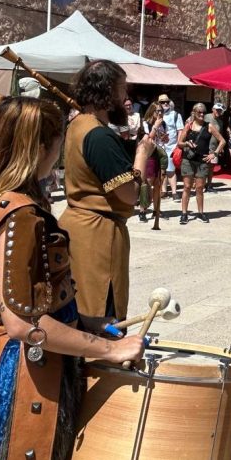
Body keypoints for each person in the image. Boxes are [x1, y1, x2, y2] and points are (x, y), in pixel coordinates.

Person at [0, 96, 145, 460]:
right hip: (28, 374)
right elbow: (22, 322)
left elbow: (28, 299)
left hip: (19, 363)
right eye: (57, 142)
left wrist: (84, 322)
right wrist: (110, 349)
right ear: (40, 146)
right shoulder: (20, 215)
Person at [60, 60, 153, 327]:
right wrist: (141, 156)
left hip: (82, 226)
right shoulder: (98, 135)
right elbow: (130, 194)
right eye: (122, 89)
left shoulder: (78, 124)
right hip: (97, 235)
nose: (125, 97)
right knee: (99, 313)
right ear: (108, 92)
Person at [177, 103, 226, 224]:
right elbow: (179, 143)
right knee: (187, 187)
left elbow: (222, 141)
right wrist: (187, 144)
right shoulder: (188, 126)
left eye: (203, 112)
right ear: (194, 112)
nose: (202, 114)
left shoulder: (209, 126)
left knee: (199, 188)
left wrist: (214, 154)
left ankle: (200, 212)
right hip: (188, 159)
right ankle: (184, 213)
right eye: (199, 112)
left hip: (202, 161)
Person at [156, 94, 183, 200]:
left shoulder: (175, 115)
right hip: (160, 147)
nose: (165, 103)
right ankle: (164, 190)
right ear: (159, 104)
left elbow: (180, 130)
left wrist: (178, 145)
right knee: (162, 170)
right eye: (162, 102)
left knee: (171, 170)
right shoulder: (156, 115)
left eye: (167, 101)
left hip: (172, 147)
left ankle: (174, 192)